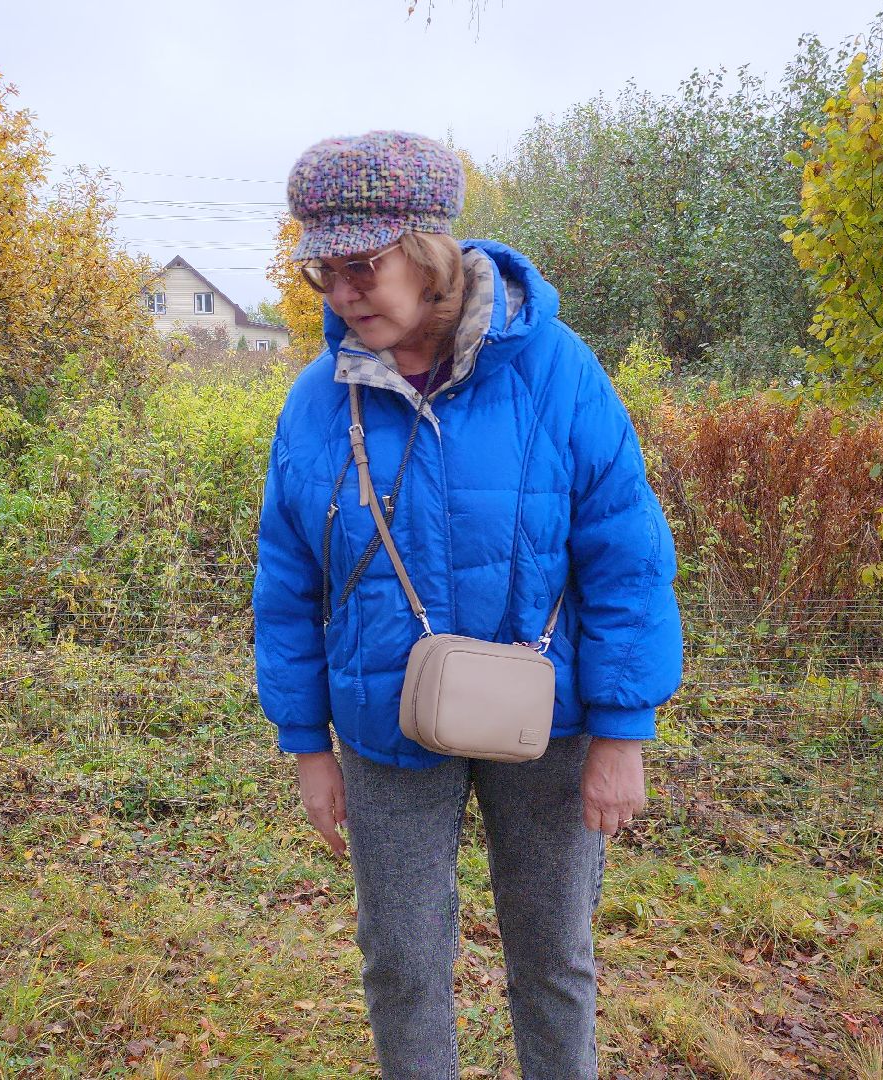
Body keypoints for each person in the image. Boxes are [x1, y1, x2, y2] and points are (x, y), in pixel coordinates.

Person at [251, 131, 682, 1079]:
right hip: (382, 726)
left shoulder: (558, 372)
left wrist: (621, 732)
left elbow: (627, 556)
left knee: (554, 960)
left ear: (432, 252)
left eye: (363, 262)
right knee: (402, 964)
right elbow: (288, 584)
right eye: (324, 268)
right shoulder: (316, 404)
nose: (344, 289)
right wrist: (306, 745)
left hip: (553, 723)